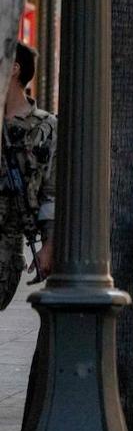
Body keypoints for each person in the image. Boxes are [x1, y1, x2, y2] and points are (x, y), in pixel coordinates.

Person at [0, 42, 54, 309]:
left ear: (14, 68)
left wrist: (48, 244)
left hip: (8, 243)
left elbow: (51, 191)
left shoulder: (44, 127)